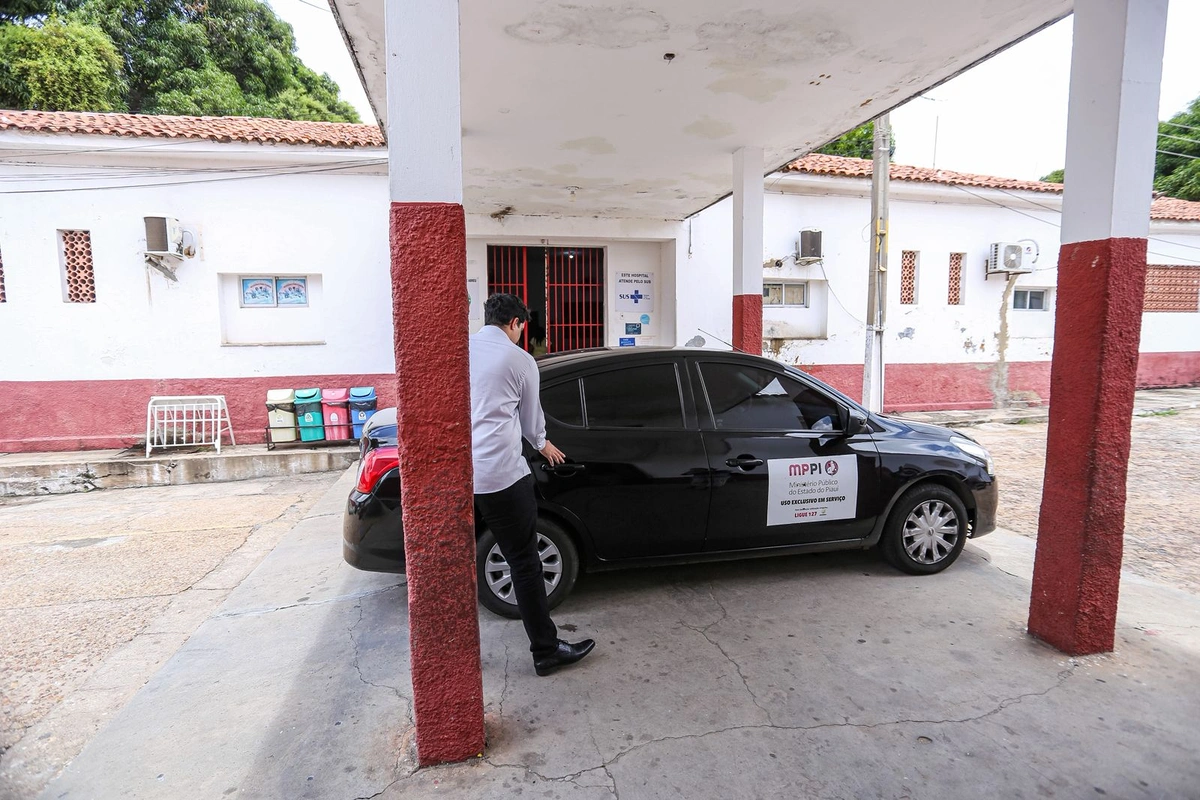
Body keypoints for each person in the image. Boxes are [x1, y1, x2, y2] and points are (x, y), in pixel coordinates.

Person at [469, 293, 596, 676]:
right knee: (525, 563)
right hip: (501, 474)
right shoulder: (520, 360)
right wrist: (543, 443)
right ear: (515, 323)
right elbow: (530, 423)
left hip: (462, 474)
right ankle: (545, 650)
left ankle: (455, 658)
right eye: (522, 327)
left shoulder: (461, 350)